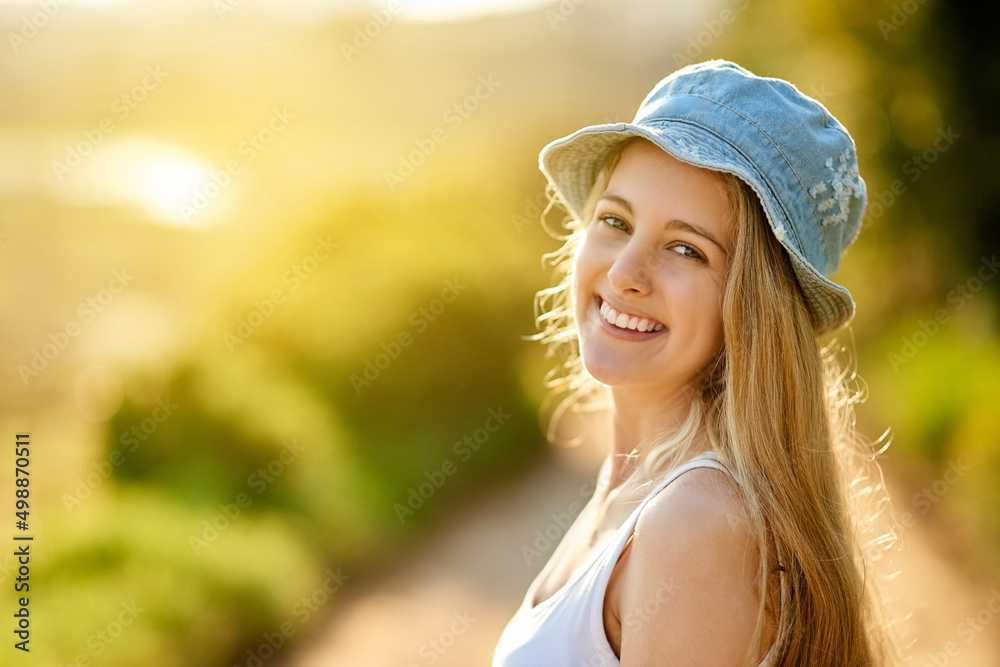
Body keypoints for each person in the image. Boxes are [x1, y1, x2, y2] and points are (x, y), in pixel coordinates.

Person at [492, 60, 902, 666]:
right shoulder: (641, 485)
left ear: (754, 309)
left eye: (686, 249)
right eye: (615, 220)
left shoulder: (693, 528)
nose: (625, 274)